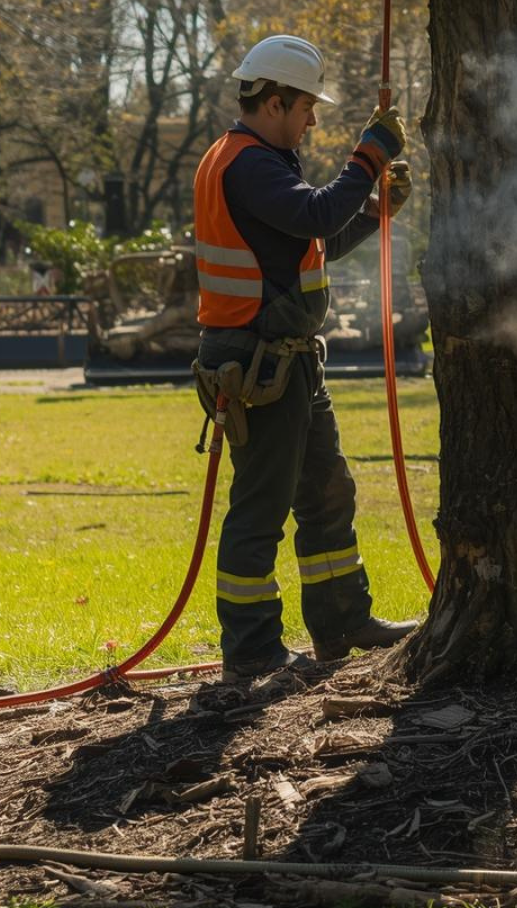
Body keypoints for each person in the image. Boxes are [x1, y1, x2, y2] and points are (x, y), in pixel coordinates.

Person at [194, 34, 417, 686]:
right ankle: (251, 649)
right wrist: (370, 153)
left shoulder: (259, 161)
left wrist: (373, 212)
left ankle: (342, 621)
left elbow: (311, 242)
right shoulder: (247, 164)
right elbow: (316, 214)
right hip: (257, 364)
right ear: (275, 101)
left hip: (284, 361)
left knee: (327, 491)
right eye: (307, 107)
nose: (313, 120)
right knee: (261, 507)